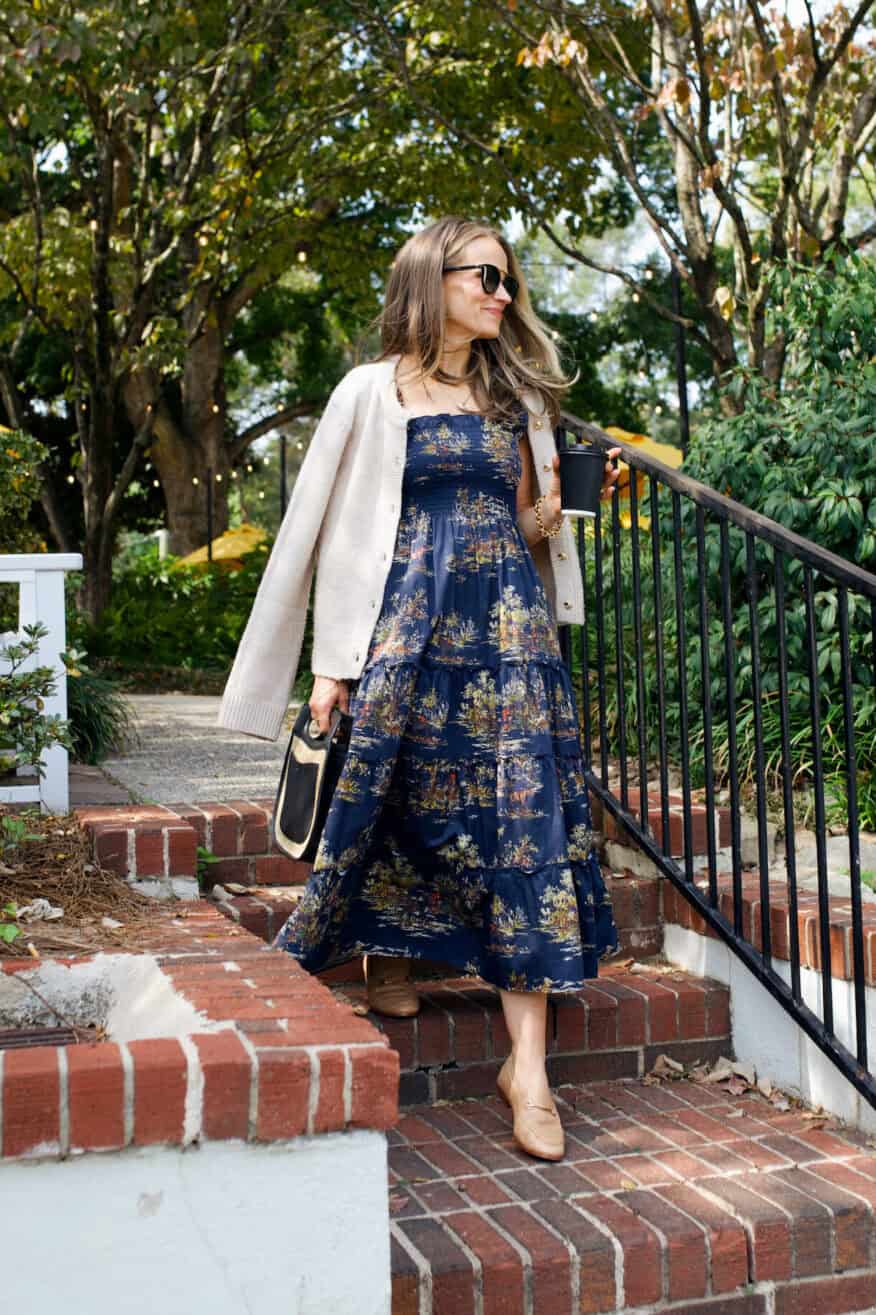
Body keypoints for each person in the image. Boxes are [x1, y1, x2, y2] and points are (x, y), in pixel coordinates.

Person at [218, 215, 622, 1162]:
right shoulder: (372, 390)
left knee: (523, 824)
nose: (502, 293)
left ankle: (528, 1067)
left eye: (509, 280)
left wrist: (545, 516)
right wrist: (327, 669)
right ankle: (387, 950)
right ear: (431, 277)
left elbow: (523, 526)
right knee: (396, 794)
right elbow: (323, 534)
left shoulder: (514, 396)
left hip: (510, 632)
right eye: (486, 275)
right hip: (405, 624)